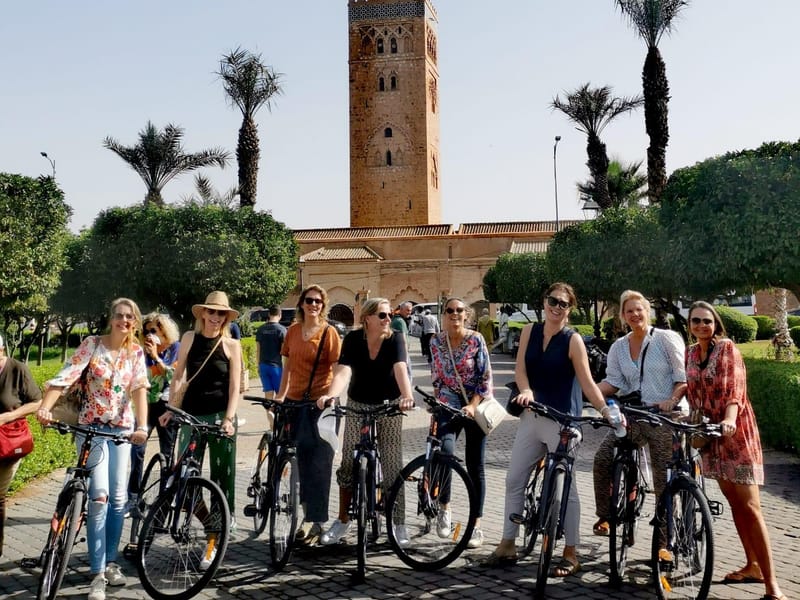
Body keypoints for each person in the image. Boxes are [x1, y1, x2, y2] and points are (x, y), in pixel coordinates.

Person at [483, 283, 612, 574]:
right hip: (532, 416)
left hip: (563, 422)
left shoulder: (573, 340)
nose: (556, 307)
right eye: (553, 301)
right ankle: (507, 543)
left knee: (567, 487)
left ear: (570, 309)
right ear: (544, 302)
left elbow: (587, 382)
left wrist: (605, 411)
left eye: (563, 304)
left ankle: (571, 552)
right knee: (514, 479)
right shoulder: (530, 331)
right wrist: (526, 390)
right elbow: (520, 369)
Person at [37, 298, 149, 600]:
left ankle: (111, 562)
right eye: (119, 315)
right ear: (110, 318)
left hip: (122, 430)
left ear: (135, 322)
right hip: (92, 429)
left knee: (119, 499)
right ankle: (97, 573)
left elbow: (139, 389)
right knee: (99, 497)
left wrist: (142, 426)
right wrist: (45, 407)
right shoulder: (92, 344)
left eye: (129, 317)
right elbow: (66, 376)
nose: (124, 321)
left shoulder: (136, 352)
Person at [686, 301, 786, 600]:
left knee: (751, 507)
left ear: (716, 323)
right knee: (734, 503)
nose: (702, 325)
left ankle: (772, 585)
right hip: (710, 436)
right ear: (689, 325)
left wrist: (729, 419)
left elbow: (735, 390)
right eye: (696, 321)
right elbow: (690, 388)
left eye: (707, 321)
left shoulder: (727, 349)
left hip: (735, 433)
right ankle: (752, 565)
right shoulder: (691, 353)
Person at [316, 298, 414, 545]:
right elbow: (344, 371)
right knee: (348, 461)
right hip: (358, 403)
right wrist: (331, 395)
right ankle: (343, 520)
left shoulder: (395, 339)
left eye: (389, 315)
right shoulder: (352, 339)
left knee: (392, 463)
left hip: (389, 404)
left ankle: (398, 523)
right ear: (367, 318)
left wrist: (407, 396)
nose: (388, 319)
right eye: (382, 315)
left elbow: (400, 367)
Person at [591, 290, 687, 536]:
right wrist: (586, 390)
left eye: (638, 309)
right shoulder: (619, 347)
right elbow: (613, 382)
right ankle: (607, 515)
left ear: (648, 311)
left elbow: (682, 378)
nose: (634, 314)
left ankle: (665, 539)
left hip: (664, 417)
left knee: (662, 475)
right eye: (629, 311)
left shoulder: (666, 339)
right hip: (634, 415)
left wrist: (671, 400)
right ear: (623, 316)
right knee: (603, 459)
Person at [162, 291, 242, 542]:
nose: (215, 317)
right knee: (186, 477)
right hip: (191, 416)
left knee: (222, 476)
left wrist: (229, 419)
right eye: (211, 311)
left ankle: (220, 528)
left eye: (221, 313)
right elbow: (178, 376)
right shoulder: (189, 338)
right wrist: (170, 409)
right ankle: (209, 524)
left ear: (226, 318)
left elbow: (234, 387)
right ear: (203, 314)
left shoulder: (232, 345)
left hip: (220, 417)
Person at [275, 284, 342, 545]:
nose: (313, 305)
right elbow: (288, 367)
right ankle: (305, 517)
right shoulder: (292, 331)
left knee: (320, 464)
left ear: (323, 306)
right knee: (300, 463)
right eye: (309, 300)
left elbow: (338, 369)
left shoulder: (329, 332)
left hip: (321, 405)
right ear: (302, 303)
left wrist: (331, 396)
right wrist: (280, 396)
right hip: (295, 403)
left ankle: (316, 521)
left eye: (318, 301)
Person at [429, 297, 492, 549]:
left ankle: (476, 524)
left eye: (459, 310)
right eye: (449, 310)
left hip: (474, 402)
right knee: (445, 452)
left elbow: (485, 377)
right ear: (443, 315)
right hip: (448, 401)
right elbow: (436, 377)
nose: (454, 314)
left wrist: (473, 405)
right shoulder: (435, 341)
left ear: (466, 315)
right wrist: (437, 404)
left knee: (475, 464)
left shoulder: (476, 339)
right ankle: (444, 507)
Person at [126, 312, 181, 515]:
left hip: (167, 406)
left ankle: (165, 499)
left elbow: (174, 376)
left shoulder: (175, 349)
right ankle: (133, 497)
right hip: (146, 406)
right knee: (136, 449)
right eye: (146, 331)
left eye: (153, 330)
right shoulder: (142, 352)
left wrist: (157, 357)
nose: (149, 335)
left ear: (164, 331)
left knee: (167, 453)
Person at [0, 334, 42, 558]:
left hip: (6, 443)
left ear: (1, 350)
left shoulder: (17, 370)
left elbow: (37, 402)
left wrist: (8, 416)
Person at [255, 305, 286, 400]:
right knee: (279, 395)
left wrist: (258, 365)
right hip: (276, 367)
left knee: (268, 395)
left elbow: (258, 349)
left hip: (263, 365)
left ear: (269, 314)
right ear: (280, 315)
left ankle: (270, 410)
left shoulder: (261, 329)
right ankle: (276, 410)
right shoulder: (282, 330)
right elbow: (284, 352)